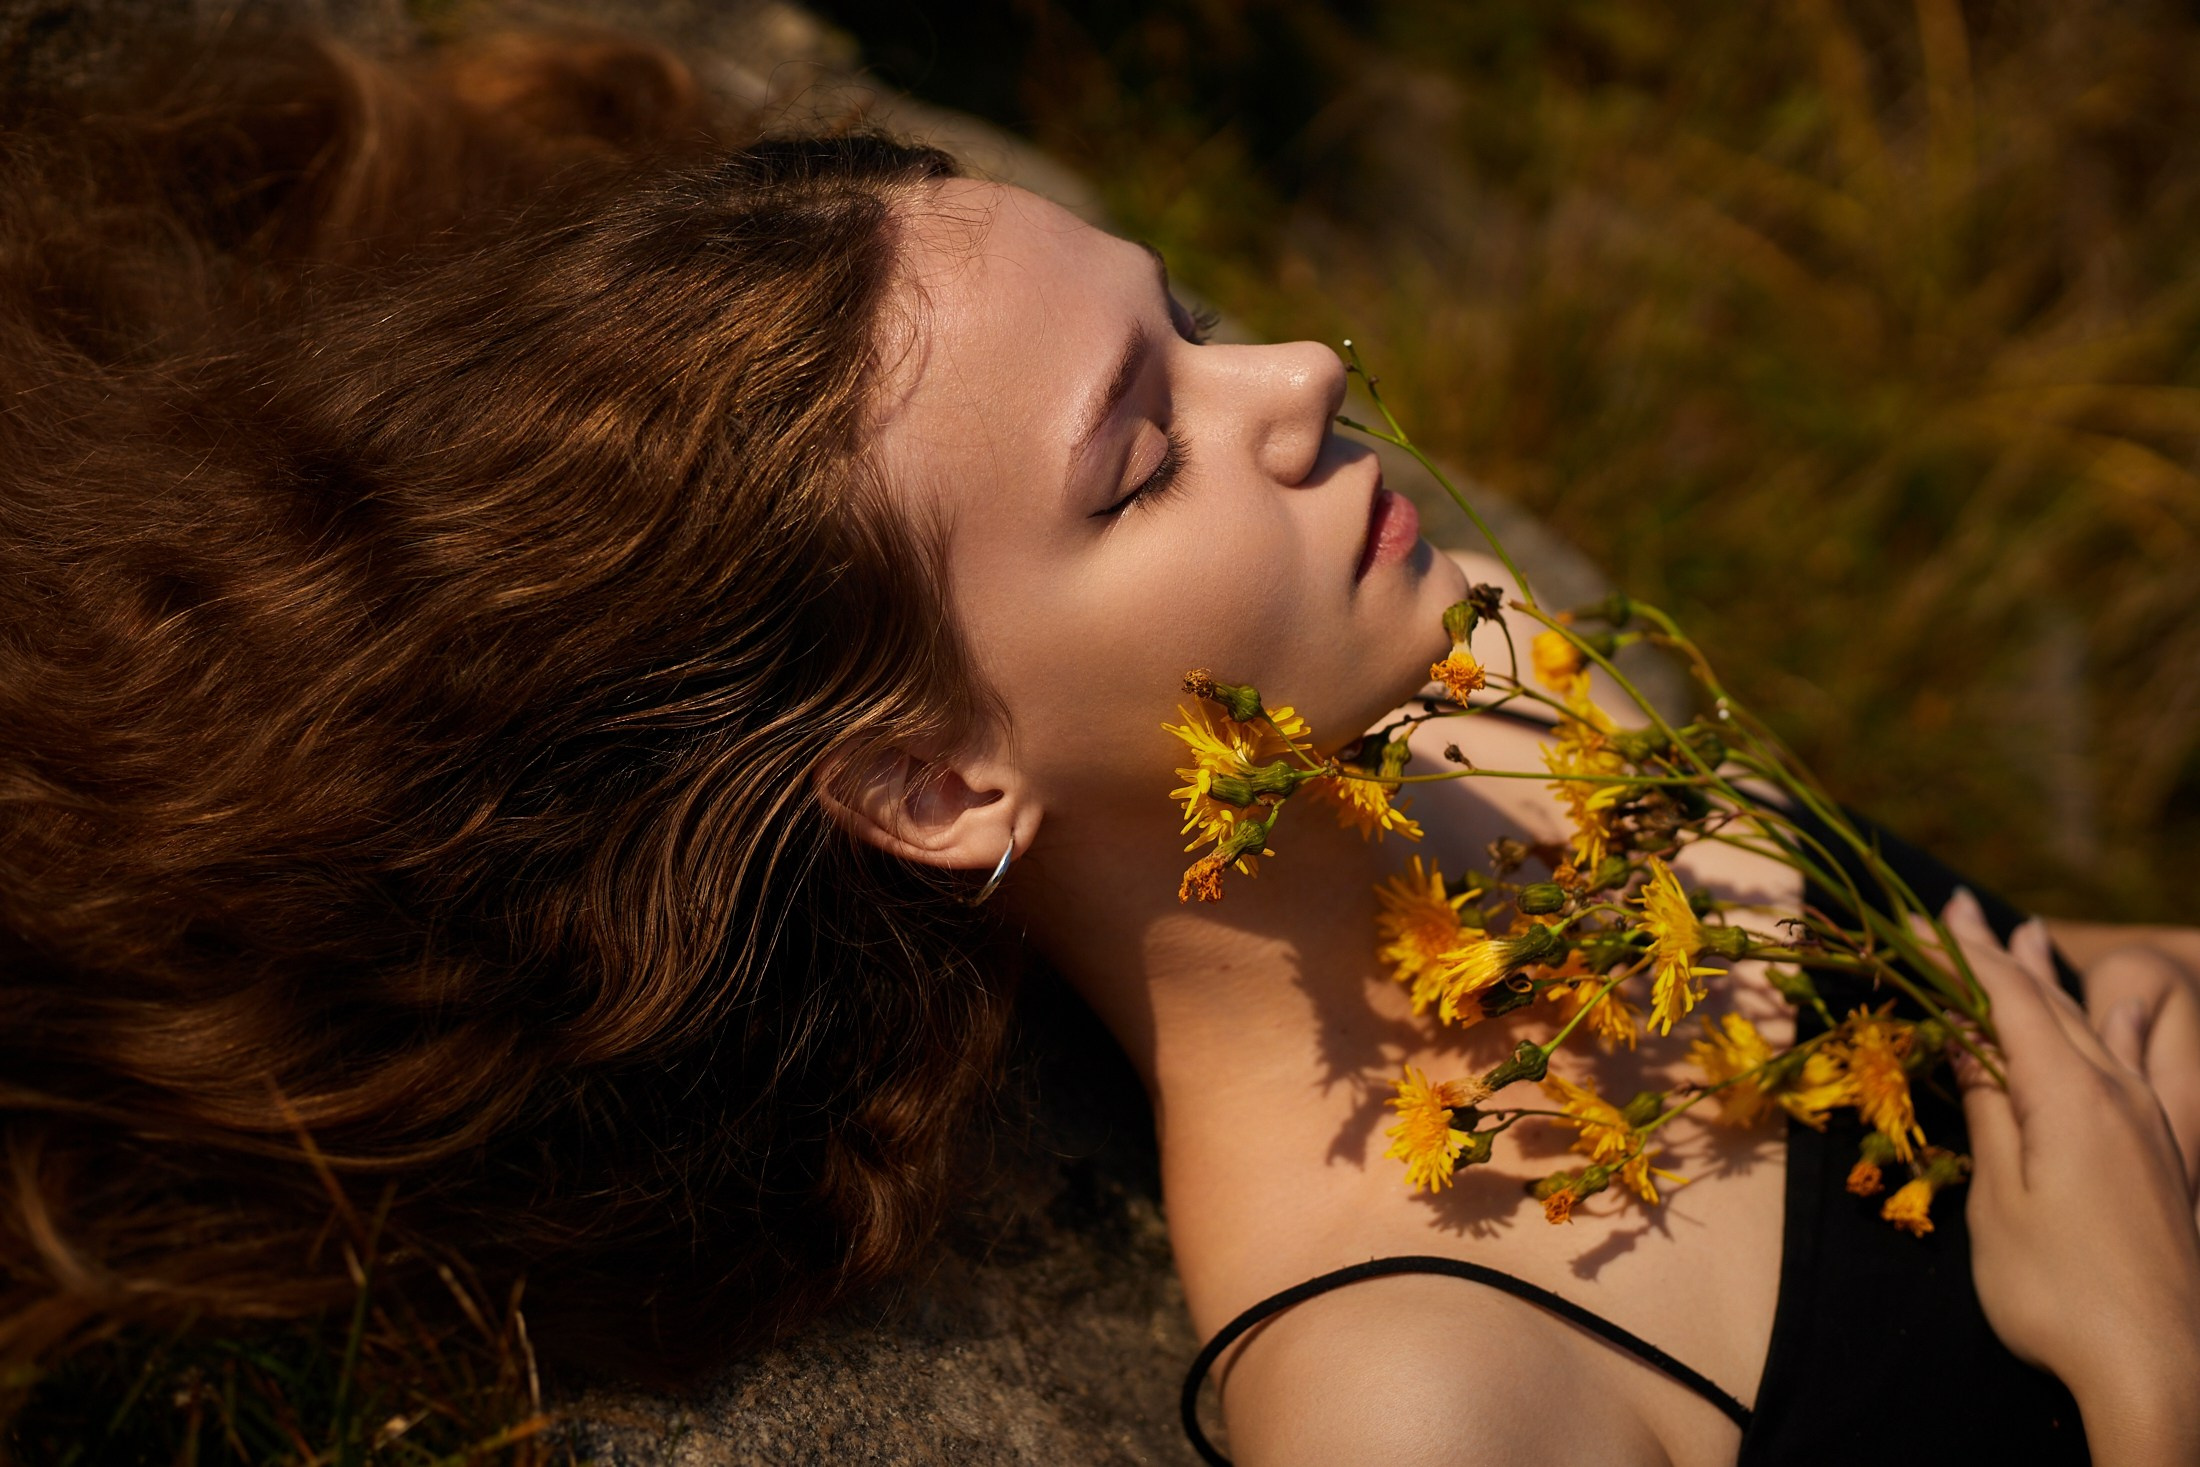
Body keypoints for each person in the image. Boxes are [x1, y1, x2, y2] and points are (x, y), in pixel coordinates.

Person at [2, 26, 2195, 1465]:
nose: (1306, 373)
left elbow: (1962, 938)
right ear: (939, 778)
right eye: (1141, 455)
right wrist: (2136, 1369)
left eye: (1195, 326)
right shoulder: (1401, 1384)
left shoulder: (1476, 660)